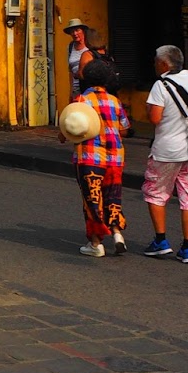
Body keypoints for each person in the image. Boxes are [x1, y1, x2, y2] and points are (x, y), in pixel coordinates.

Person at [144, 44, 188, 265]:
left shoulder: (161, 85)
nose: (154, 65)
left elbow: (155, 118)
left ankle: (161, 241)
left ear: (164, 63)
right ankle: (187, 249)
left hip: (166, 151)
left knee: (156, 193)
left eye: (156, 61)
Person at [66, 57, 129, 257]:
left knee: (92, 200)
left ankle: (95, 243)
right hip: (115, 157)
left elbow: (67, 129)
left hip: (89, 157)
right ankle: (117, 234)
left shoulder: (81, 101)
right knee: (113, 196)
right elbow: (125, 129)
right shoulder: (115, 101)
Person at [64, 18, 93, 98]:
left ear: (83, 30)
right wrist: (71, 91)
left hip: (89, 88)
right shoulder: (70, 47)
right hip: (76, 90)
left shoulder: (90, 45)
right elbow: (70, 70)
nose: (75, 33)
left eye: (77, 30)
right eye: (72, 31)